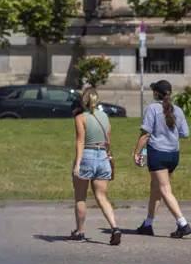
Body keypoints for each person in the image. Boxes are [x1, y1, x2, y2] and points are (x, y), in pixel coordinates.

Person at [132, 80, 191, 238]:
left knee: (164, 190)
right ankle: (148, 224)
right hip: (173, 155)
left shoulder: (152, 108)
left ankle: (183, 223)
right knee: (156, 189)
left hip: (158, 154)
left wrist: (136, 153)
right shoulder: (177, 110)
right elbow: (185, 133)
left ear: (156, 93)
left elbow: (145, 134)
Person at [70, 88, 121, 245]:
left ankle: (80, 231)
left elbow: (80, 141)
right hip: (103, 156)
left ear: (83, 101)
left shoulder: (80, 117)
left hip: (88, 155)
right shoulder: (105, 116)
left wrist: (77, 164)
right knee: (101, 196)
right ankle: (115, 228)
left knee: (80, 197)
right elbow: (109, 141)